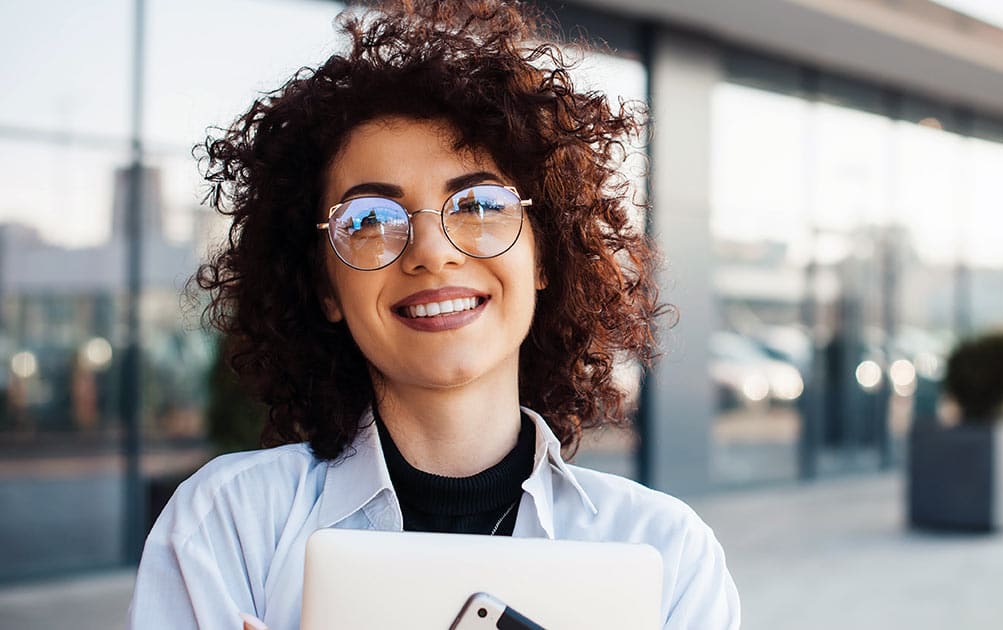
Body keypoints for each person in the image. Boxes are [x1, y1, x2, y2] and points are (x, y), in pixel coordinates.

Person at [127, 2, 740, 629]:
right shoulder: (228, 528)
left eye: (477, 205)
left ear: (543, 258)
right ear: (325, 287)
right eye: (369, 221)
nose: (432, 254)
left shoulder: (666, 557)